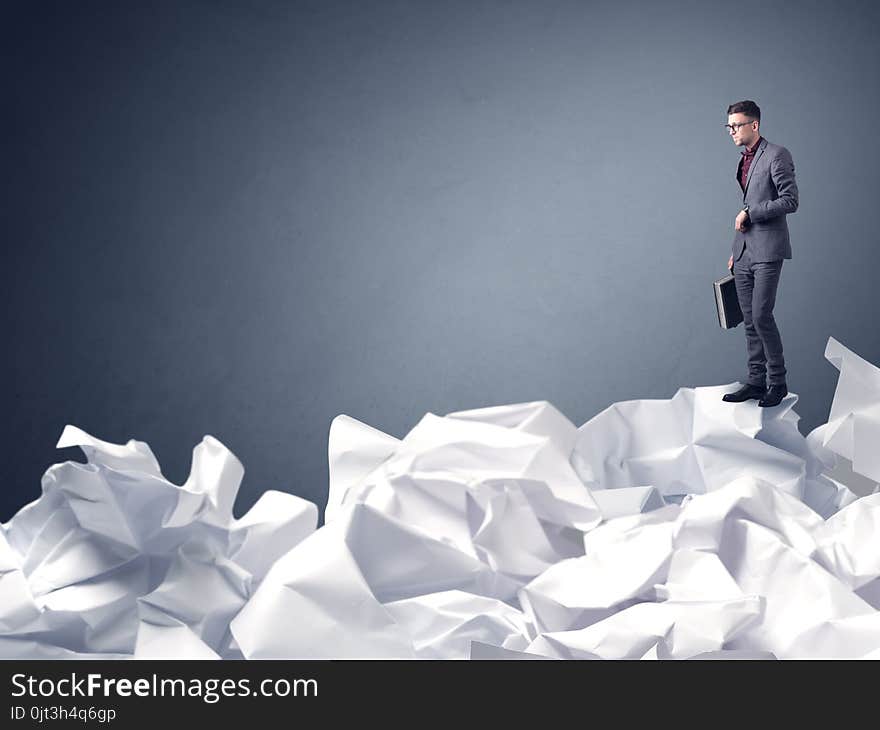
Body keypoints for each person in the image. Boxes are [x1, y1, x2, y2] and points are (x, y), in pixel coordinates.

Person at [721, 100, 798, 408]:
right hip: (744, 251)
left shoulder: (777, 155)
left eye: (736, 125)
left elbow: (790, 200)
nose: (731, 131)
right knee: (749, 321)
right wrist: (735, 251)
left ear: (754, 125)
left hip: (768, 249)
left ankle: (777, 382)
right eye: (729, 126)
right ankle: (755, 382)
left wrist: (751, 213)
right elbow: (746, 206)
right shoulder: (744, 160)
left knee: (762, 316)